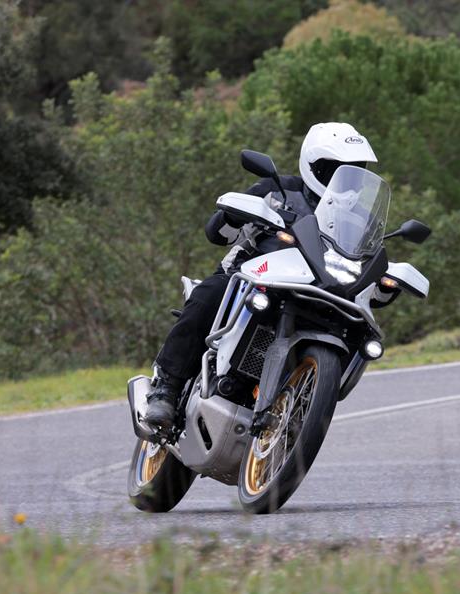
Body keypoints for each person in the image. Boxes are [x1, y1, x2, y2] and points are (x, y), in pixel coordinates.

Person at [144, 122, 378, 428]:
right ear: (312, 164)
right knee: (209, 293)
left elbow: (367, 263)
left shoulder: (361, 218)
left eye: (353, 169)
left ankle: (303, 400)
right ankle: (167, 386)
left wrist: (384, 284)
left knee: (356, 329)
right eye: (334, 168)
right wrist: (231, 215)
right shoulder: (276, 190)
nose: (344, 179)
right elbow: (217, 233)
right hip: (254, 275)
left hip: (317, 290)